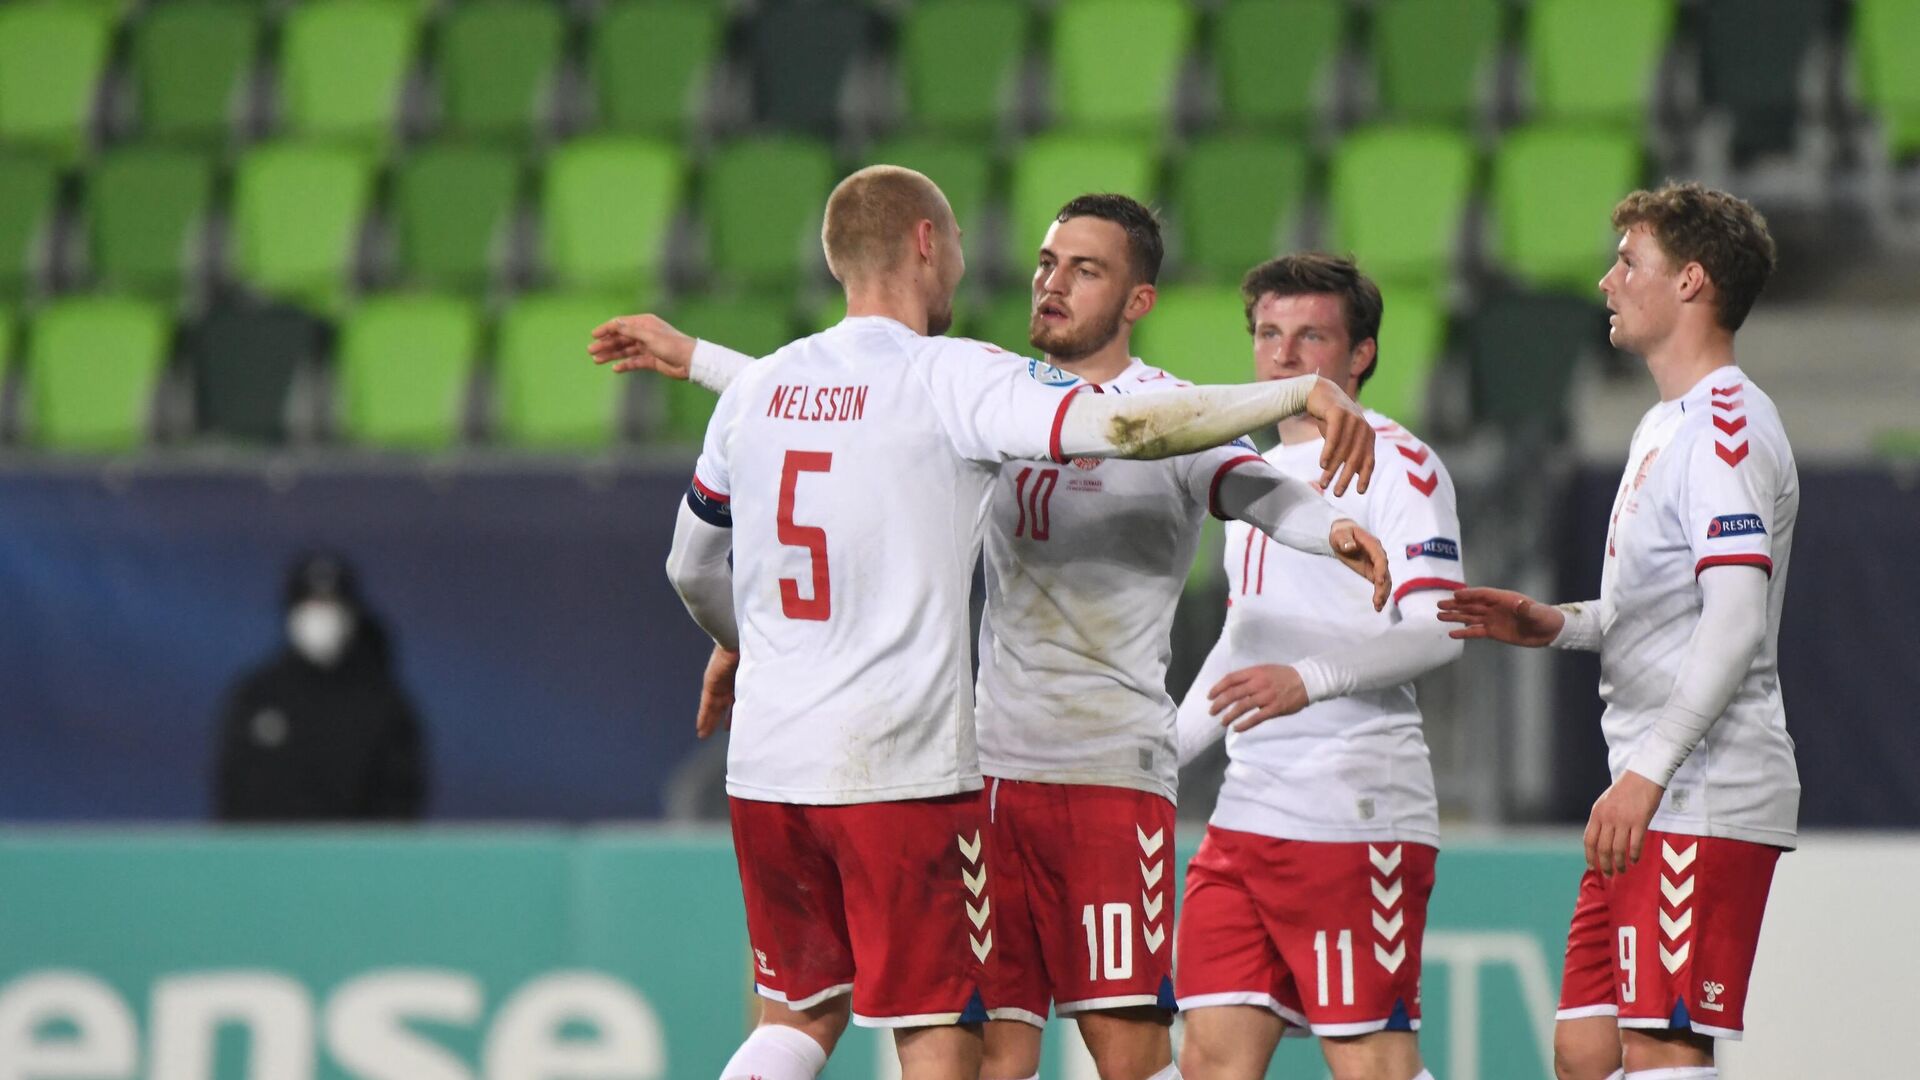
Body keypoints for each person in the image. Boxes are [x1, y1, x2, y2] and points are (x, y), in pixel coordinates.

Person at [599, 196, 1394, 1080]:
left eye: (1085, 270)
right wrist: (701, 360)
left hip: (1104, 770)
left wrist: (1330, 529)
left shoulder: (1171, 409)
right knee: (992, 1055)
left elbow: (1249, 485)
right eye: (1047, 262)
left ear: (1138, 302)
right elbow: (857, 405)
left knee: (1127, 1050)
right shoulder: (988, 393)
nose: (1052, 283)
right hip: (987, 773)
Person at [1439, 182, 1794, 1080]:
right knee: (1586, 1051)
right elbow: (1661, 612)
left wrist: (1646, 773)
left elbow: (1736, 618)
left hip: (1697, 791)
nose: (1606, 281)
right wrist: (1555, 624)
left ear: (1691, 284)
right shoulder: (1660, 425)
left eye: (1630, 262)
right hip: (1649, 789)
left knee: (1663, 1046)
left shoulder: (1726, 425)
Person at [1170, 254, 1464, 1080]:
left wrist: (1311, 679)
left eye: (1311, 336)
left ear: (1359, 355)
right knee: (1210, 1061)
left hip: (1355, 808)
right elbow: (1244, 641)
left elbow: (1440, 628)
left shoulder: (1400, 464)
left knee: (1371, 1064)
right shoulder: (1249, 478)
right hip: (1247, 814)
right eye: (1268, 333)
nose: (1284, 356)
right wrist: (1159, 759)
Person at [213, 552, 427, 821]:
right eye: (311, 607)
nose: (321, 618)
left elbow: (399, 801)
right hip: (270, 859)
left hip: (353, 860)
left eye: (331, 607)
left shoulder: (383, 704)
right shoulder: (257, 696)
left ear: (351, 615)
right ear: (291, 612)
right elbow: (231, 792)